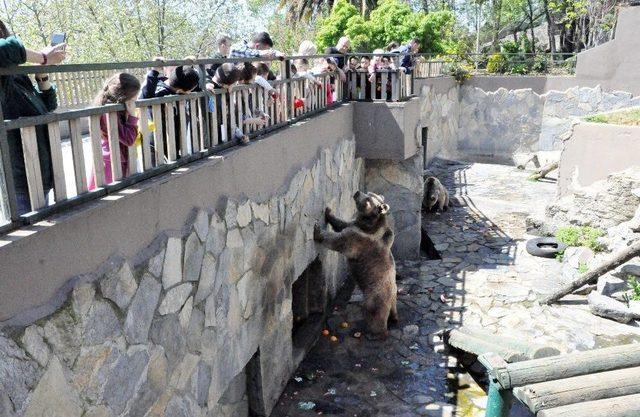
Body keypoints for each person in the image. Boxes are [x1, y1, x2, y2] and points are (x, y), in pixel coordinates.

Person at [0, 20, 66, 214]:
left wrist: (42, 75)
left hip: (41, 170)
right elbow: (9, 49)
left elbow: (47, 107)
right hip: (20, 178)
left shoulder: (16, 75)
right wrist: (44, 57)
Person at [89, 73, 140, 189]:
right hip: (112, 162)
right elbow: (129, 139)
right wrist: (132, 116)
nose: (136, 99)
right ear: (125, 98)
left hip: (110, 157)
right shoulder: (110, 113)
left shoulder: (108, 107)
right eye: (135, 96)